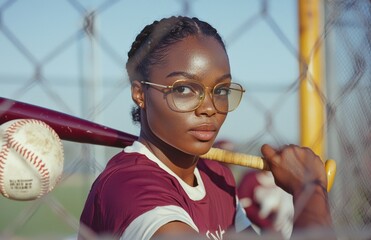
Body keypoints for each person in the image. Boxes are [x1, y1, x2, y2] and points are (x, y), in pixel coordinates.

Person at [78, 16, 334, 240]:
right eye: (184, 89)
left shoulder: (216, 176)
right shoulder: (130, 187)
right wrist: (310, 191)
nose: (209, 108)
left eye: (220, 90)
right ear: (140, 93)